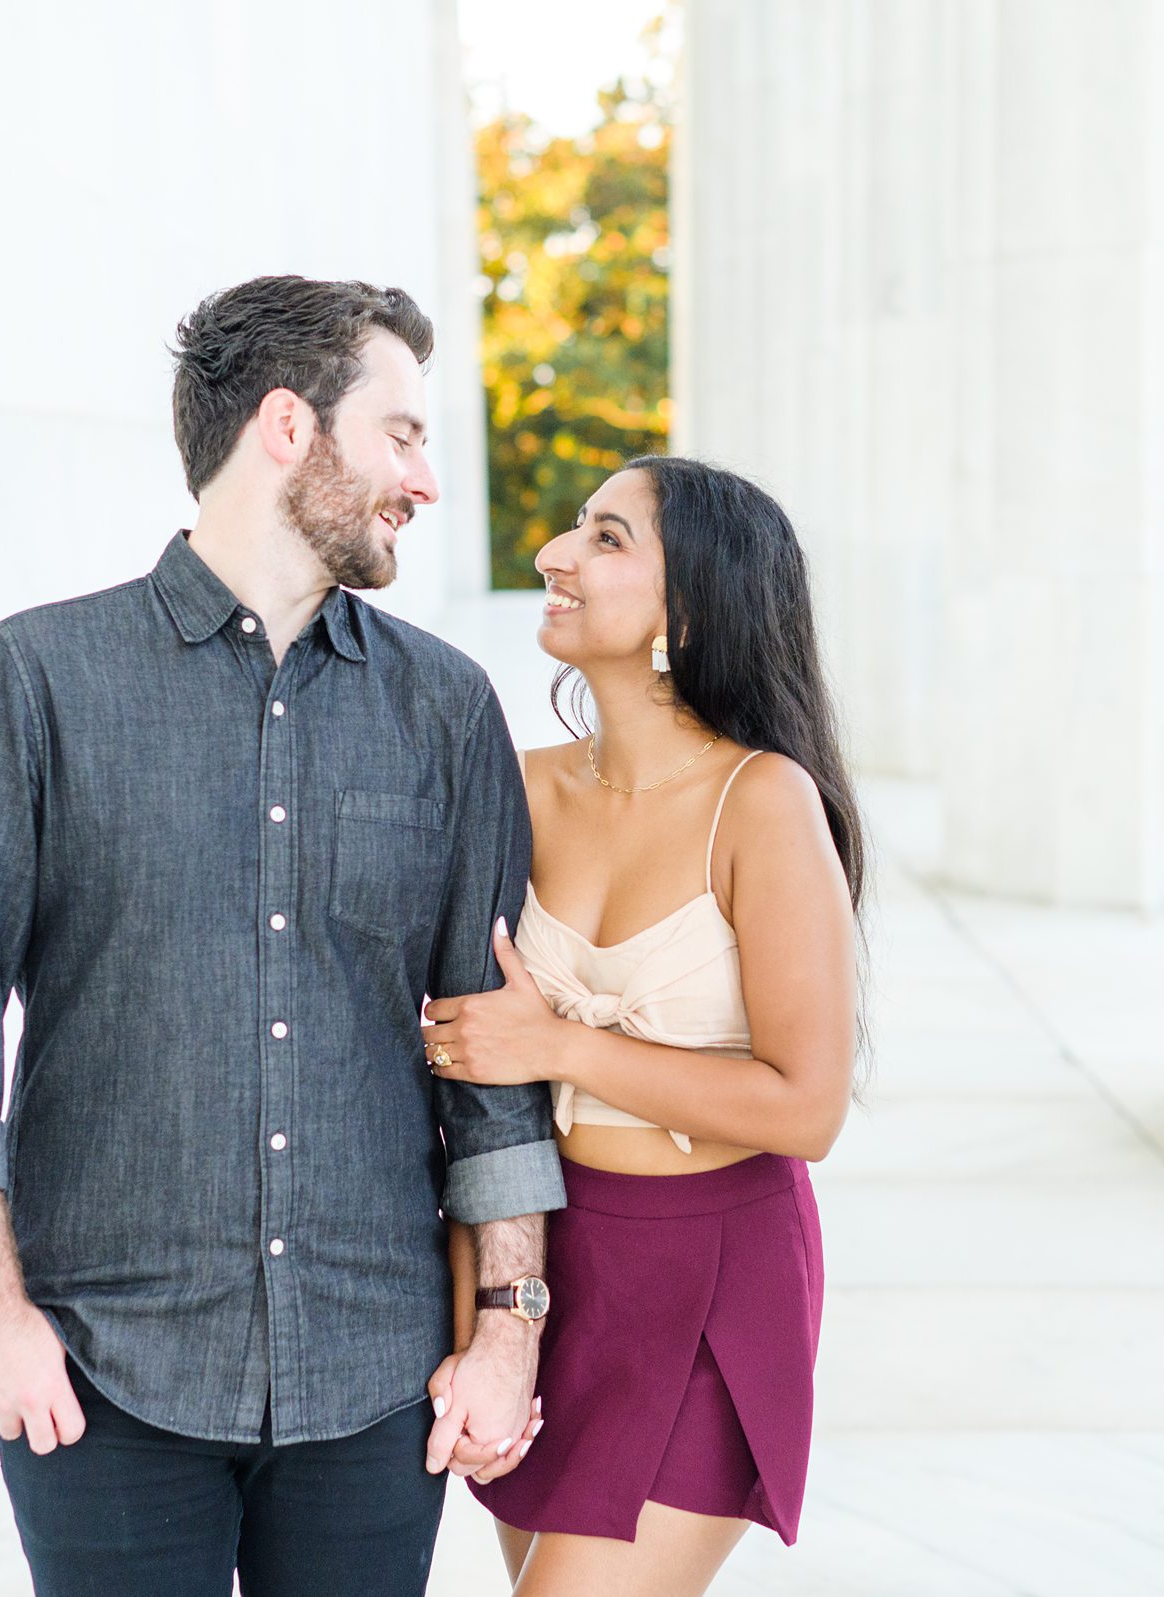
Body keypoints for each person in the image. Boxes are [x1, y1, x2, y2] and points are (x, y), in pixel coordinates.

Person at [0, 275, 565, 1597]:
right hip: (103, 1373)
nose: (426, 481)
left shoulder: (447, 711)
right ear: (289, 427)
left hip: (373, 1374)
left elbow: (494, 1052)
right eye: (404, 434)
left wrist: (509, 1324)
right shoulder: (38, 682)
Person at [420, 456, 867, 1596]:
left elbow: (806, 1107)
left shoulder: (762, 801)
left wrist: (564, 1045)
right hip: (553, 1265)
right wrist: (487, 1317)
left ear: (693, 603)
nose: (554, 557)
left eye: (607, 539)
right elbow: (479, 1091)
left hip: (716, 1276)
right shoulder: (514, 786)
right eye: (576, 527)